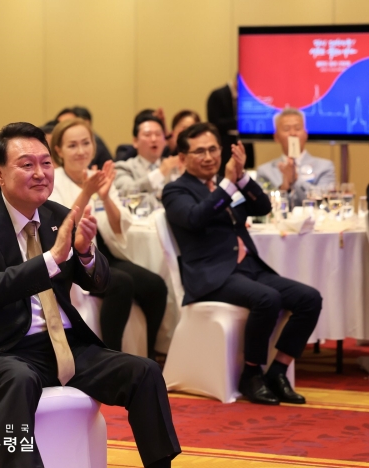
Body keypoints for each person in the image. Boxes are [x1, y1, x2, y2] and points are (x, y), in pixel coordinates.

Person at [0, 122, 180, 468]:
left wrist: (85, 254)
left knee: (143, 372)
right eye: (27, 165)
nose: (40, 173)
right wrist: (52, 258)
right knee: (17, 380)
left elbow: (101, 285)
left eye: (46, 163)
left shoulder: (57, 215)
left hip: (61, 344)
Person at [162, 122, 322, 406]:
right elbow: (195, 218)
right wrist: (227, 183)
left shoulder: (229, 185)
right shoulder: (176, 191)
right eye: (200, 151)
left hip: (247, 268)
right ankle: (251, 374)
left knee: (309, 298)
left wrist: (243, 178)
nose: (209, 157)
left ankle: (278, 371)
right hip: (211, 276)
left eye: (213, 149)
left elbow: (262, 208)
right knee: (267, 299)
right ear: (184, 158)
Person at [49, 118, 168, 358]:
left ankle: (150, 355)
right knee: (120, 283)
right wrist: (87, 193)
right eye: (72, 146)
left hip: (103, 251)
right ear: (59, 150)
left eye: (86, 143)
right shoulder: (54, 180)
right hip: (73, 258)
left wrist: (104, 197)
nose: (81, 151)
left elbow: (118, 226)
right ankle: (112, 358)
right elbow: (63, 228)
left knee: (155, 286)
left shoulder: (97, 176)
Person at [256, 108, 336, 207]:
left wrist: (296, 180)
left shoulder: (325, 167)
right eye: (286, 129)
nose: (293, 134)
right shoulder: (265, 171)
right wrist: (284, 188)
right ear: (276, 137)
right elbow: (261, 207)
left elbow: (325, 203)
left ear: (305, 134)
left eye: (297, 128)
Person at [114, 114, 183, 208]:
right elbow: (127, 193)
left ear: (164, 141)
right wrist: (159, 173)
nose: (154, 139)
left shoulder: (175, 166)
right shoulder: (123, 167)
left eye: (158, 134)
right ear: (135, 141)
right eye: (147, 135)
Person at [207, 78, 255, 171]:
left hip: (244, 144)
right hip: (225, 147)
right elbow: (214, 123)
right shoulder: (217, 95)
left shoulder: (247, 97)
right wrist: (239, 121)